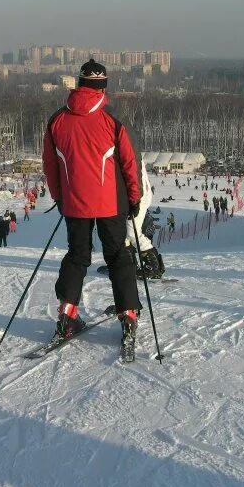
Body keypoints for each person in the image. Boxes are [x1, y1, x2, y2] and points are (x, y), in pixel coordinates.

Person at [42, 58, 142, 360]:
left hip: (74, 203)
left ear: (79, 83)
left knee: (77, 256)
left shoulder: (57, 120)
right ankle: (128, 316)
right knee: (117, 256)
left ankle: (67, 313)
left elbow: (50, 166)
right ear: (104, 86)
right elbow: (129, 165)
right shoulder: (112, 120)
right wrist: (134, 199)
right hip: (111, 203)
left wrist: (60, 197)